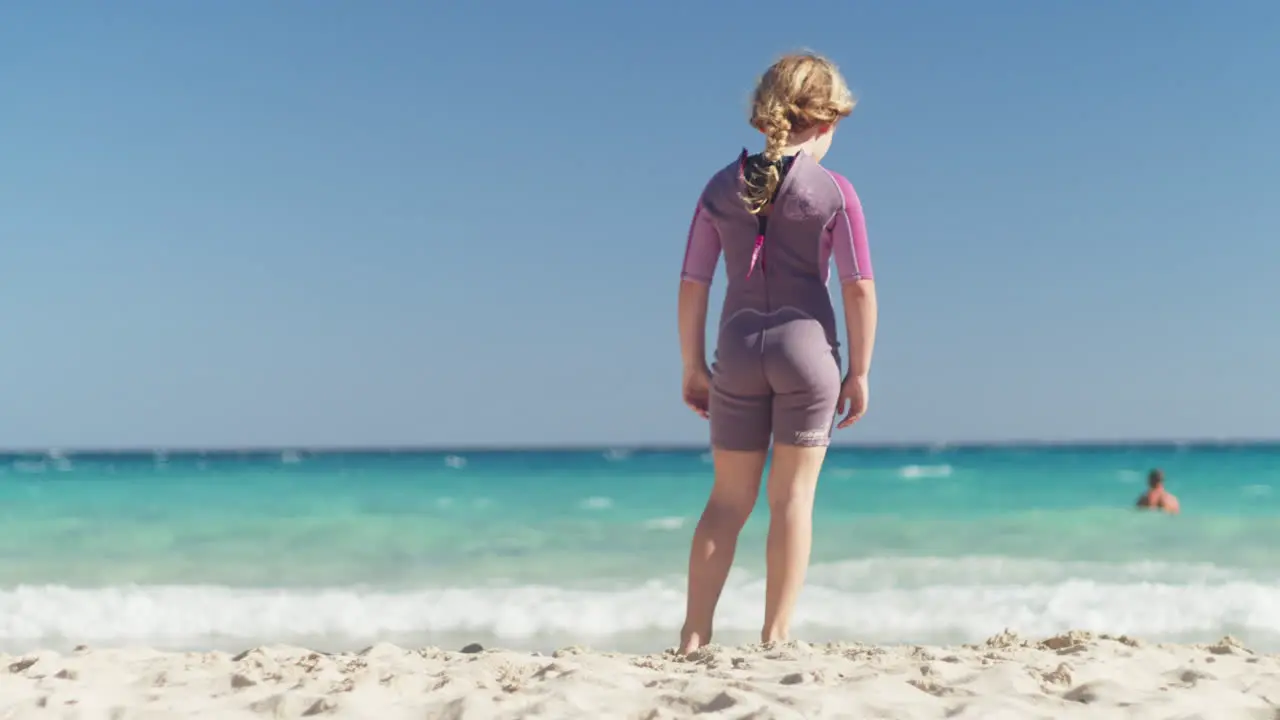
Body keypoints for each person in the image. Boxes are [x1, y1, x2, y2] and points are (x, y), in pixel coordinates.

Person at [676, 52, 878, 654]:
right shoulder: (835, 191)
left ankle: (693, 634)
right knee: (791, 499)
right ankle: (775, 633)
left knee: (727, 500)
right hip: (806, 353)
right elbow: (858, 285)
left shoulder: (719, 187)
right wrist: (861, 370)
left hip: (735, 347)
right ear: (828, 120)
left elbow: (693, 283)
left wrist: (691, 365)